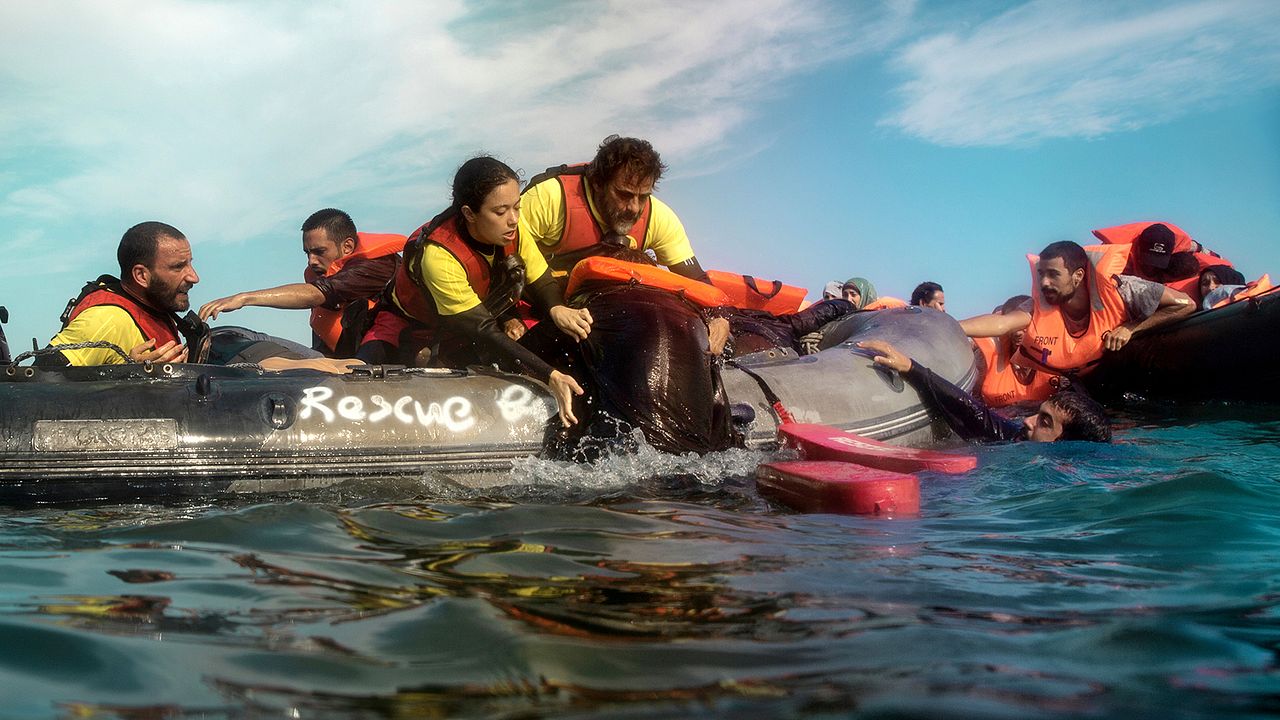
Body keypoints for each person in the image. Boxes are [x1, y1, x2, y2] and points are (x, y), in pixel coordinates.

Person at [360, 156, 593, 426]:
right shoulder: (439, 255)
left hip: (475, 321)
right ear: (470, 214)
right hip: (413, 326)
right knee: (369, 365)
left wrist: (557, 308)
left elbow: (541, 279)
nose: (514, 219)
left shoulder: (514, 230)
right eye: (500, 212)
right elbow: (483, 331)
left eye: (517, 207)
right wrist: (549, 374)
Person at [960, 240, 1195, 404]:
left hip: (1129, 385)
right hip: (1086, 391)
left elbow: (1186, 304)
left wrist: (1130, 328)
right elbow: (1003, 324)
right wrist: (953, 325)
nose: (1044, 283)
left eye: (1053, 274)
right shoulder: (1040, 305)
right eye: (1041, 274)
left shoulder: (1122, 289)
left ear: (1078, 276)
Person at [198, 209, 404, 358]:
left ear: (348, 246)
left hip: (376, 365)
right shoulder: (323, 273)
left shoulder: (375, 266)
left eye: (319, 252)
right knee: (226, 336)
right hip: (335, 363)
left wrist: (244, 298)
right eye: (307, 253)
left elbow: (318, 293)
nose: (311, 261)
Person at [519, 135, 710, 282]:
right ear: (597, 183)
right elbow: (507, 256)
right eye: (624, 195)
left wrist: (717, 316)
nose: (634, 208)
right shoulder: (549, 197)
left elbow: (697, 280)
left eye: (643, 196)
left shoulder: (659, 217)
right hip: (541, 300)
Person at [858, 339, 1111, 443]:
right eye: (1038, 413)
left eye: (1045, 422)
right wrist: (911, 368)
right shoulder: (1016, 438)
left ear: (1067, 445)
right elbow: (970, 411)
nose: (1028, 421)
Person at [38, 222, 203, 367]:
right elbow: (38, 381)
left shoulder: (157, 308)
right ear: (141, 275)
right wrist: (128, 373)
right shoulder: (106, 319)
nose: (194, 277)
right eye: (178, 267)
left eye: (189, 264)